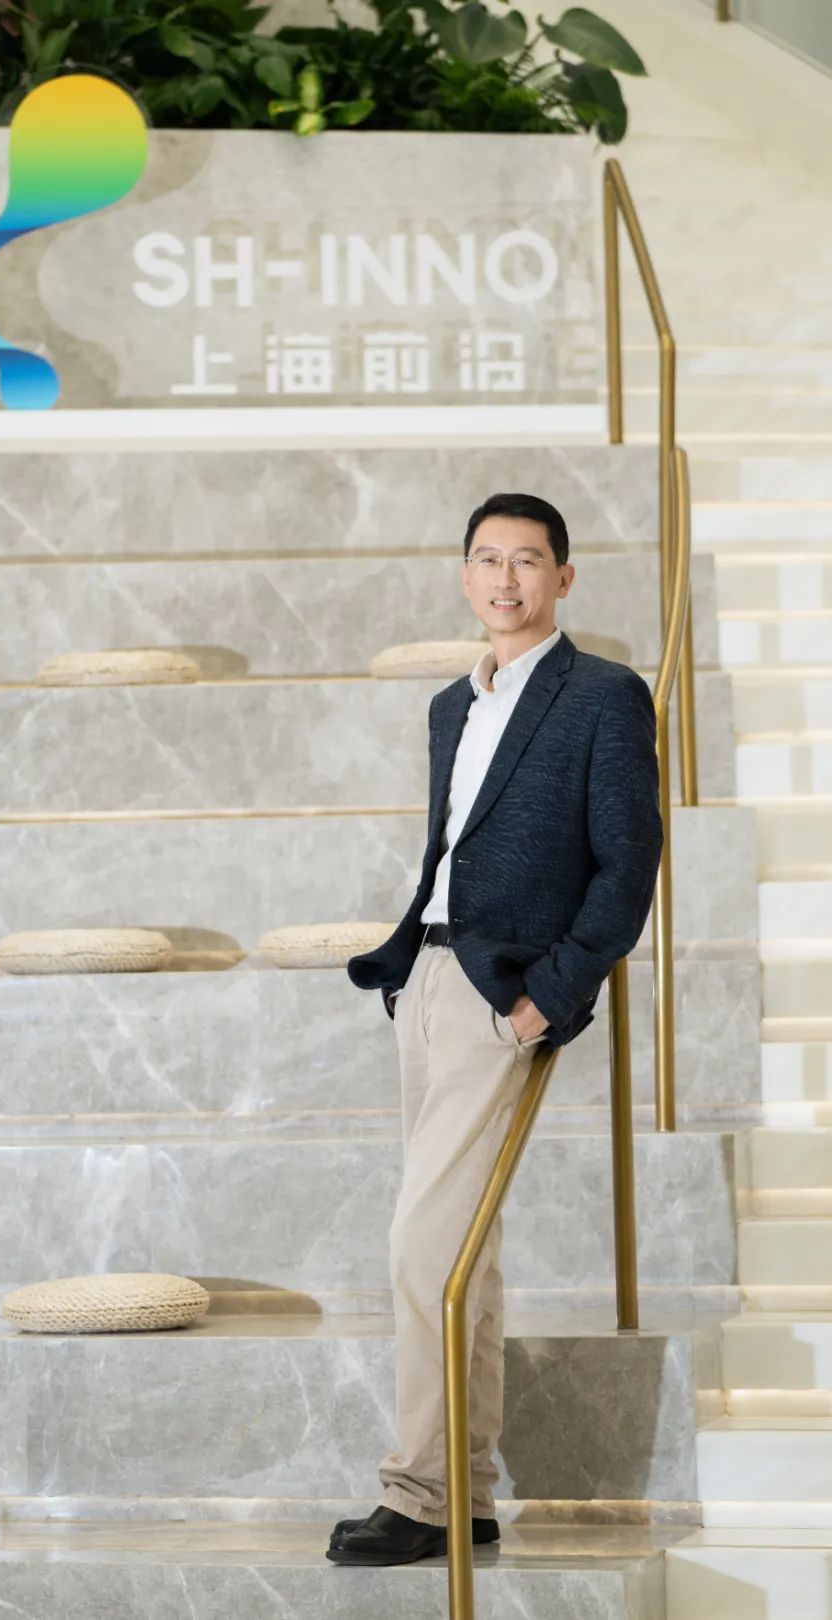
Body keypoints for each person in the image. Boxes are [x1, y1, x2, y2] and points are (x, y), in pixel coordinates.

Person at [326, 491, 664, 1567]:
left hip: (501, 996)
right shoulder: (450, 706)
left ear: (563, 578)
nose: (505, 578)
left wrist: (549, 994)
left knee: (423, 1248)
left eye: (527, 560)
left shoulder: (603, 695)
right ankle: (464, 1492)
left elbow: (629, 863)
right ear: (464, 575)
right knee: (464, 1253)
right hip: (426, 979)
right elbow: (453, 849)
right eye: (487, 559)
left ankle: (419, 1493)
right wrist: (410, 971)